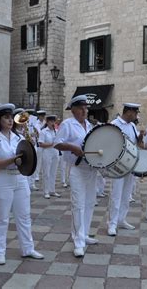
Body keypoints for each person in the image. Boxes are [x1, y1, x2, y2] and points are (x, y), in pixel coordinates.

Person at [0, 103, 44, 265]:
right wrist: (13, 159)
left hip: (20, 178)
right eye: (6, 117)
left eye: (11, 118)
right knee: (1, 218)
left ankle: (28, 248)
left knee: (24, 216)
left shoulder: (19, 138)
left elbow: (28, 158)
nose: (10, 121)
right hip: (2, 179)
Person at [54, 95, 99, 257]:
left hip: (91, 168)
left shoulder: (90, 125)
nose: (84, 111)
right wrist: (72, 147)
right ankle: (78, 241)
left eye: (86, 108)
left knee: (90, 203)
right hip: (78, 168)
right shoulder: (67, 124)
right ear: (73, 109)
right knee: (78, 205)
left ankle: (85, 234)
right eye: (81, 108)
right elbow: (57, 143)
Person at [107, 103, 144, 236]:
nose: (136, 116)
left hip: (130, 163)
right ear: (128, 112)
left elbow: (137, 144)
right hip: (118, 164)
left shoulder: (132, 126)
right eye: (135, 113)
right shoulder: (115, 124)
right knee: (116, 194)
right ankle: (112, 223)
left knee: (127, 194)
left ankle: (122, 219)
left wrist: (140, 137)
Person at [39, 115, 61, 199]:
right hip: (47, 152)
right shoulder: (44, 131)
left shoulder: (57, 131)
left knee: (53, 172)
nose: (52, 123)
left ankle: (52, 190)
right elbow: (41, 144)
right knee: (46, 173)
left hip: (55, 152)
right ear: (47, 122)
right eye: (51, 121)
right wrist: (52, 144)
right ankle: (46, 191)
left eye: (53, 121)